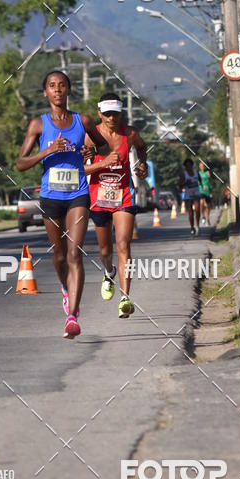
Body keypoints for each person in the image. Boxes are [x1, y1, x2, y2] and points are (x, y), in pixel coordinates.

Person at [16, 70, 108, 339]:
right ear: (45, 92)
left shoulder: (83, 121)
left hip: (78, 194)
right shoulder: (38, 125)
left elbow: (103, 146)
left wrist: (92, 151)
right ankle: (66, 290)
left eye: (62, 85)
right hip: (51, 197)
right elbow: (20, 163)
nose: (57, 90)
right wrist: (47, 151)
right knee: (59, 256)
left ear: (69, 90)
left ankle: (72, 317)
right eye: (52, 86)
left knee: (74, 253)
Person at [83, 93, 148, 319]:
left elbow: (142, 148)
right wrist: (103, 164)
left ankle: (125, 297)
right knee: (105, 251)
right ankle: (108, 272)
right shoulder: (90, 137)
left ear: (121, 114)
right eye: (107, 114)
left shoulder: (130, 134)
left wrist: (142, 164)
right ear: (99, 113)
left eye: (116, 114)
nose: (112, 118)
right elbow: (81, 169)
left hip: (124, 195)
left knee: (123, 244)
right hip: (98, 197)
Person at [180, 158, 201, 235]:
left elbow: (200, 181)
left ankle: (197, 226)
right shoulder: (184, 175)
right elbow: (180, 185)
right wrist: (185, 183)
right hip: (188, 196)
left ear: (192, 165)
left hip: (196, 194)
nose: (188, 167)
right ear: (185, 167)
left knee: (197, 209)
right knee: (190, 213)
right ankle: (192, 227)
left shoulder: (196, 173)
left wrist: (201, 187)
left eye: (189, 165)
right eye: (187, 166)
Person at [198, 161, 212, 226]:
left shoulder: (207, 173)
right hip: (201, 190)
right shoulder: (198, 173)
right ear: (199, 167)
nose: (202, 167)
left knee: (208, 205)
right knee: (201, 203)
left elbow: (211, 181)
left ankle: (207, 218)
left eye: (203, 166)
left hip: (207, 191)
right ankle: (203, 216)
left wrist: (210, 177)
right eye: (201, 166)